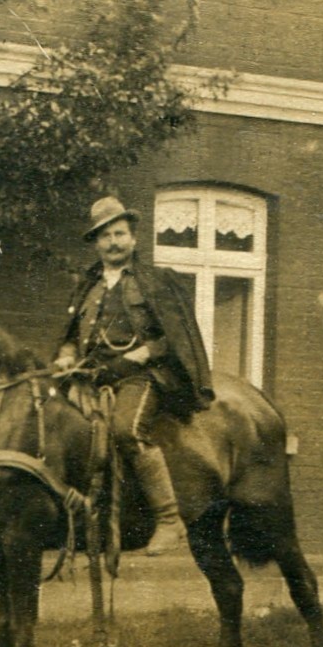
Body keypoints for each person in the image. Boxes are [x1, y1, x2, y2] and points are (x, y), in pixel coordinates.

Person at [52, 196, 214, 556]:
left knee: (127, 430)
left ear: (134, 238)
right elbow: (68, 338)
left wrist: (144, 353)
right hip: (90, 378)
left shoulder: (155, 282)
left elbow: (176, 337)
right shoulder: (87, 286)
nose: (113, 242)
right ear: (96, 244)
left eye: (119, 233)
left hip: (141, 377)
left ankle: (169, 520)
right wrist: (65, 358)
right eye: (105, 236)